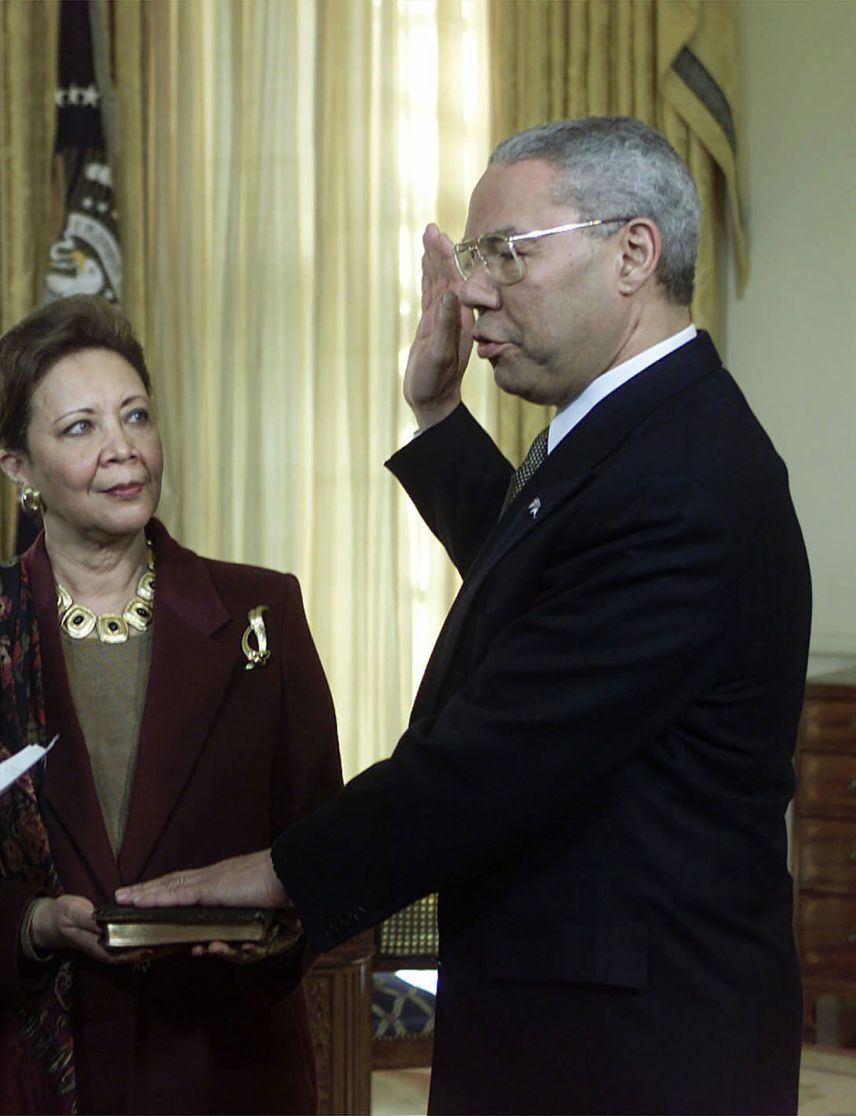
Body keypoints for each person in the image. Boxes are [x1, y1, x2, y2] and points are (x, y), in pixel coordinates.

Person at [119, 116, 812, 1113]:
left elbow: (506, 753)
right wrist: (440, 420)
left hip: (634, 1050)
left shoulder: (683, 478)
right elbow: (548, 576)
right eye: (472, 255)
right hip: (583, 1017)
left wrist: (286, 871)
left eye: (506, 254)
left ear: (632, 253)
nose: (474, 288)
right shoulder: (638, 431)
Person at [0, 294, 343, 1114]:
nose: (121, 449)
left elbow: (322, 842)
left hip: (222, 1067)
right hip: (24, 1068)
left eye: (135, 416)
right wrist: (27, 924)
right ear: (19, 468)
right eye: (80, 428)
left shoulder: (263, 614)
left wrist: (274, 937)